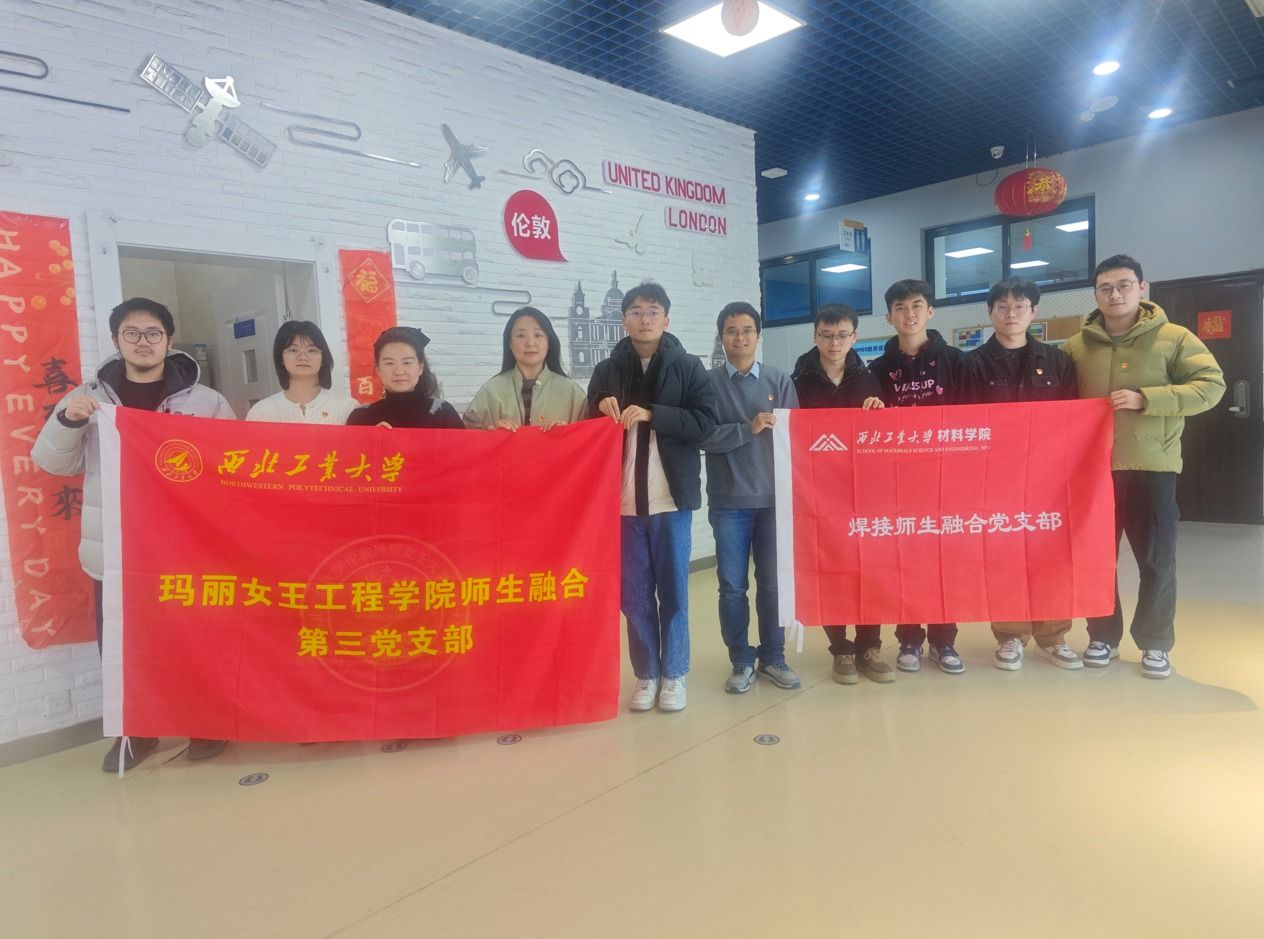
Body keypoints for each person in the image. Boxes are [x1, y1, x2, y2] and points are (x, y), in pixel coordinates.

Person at [31, 297, 237, 772]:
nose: (143, 342)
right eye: (132, 333)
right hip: (115, 548)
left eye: (152, 333)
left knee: (191, 638)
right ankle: (136, 734)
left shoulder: (206, 401)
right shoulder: (88, 398)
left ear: (168, 339)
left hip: (182, 546)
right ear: (116, 339)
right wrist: (69, 421)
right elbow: (51, 462)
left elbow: (231, 464)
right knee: (124, 648)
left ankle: (205, 723)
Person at [1062, 255, 1224, 679]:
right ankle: (1103, 636)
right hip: (1091, 472)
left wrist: (1148, 398)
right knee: (1096, 561)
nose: (1114, 294)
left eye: (1123, 285)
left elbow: (1211, 386)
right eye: (1105, 288)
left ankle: (1155, 642)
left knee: (1157, 560)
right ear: (1095, 294)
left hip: (1152, 467)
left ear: (1141, 287)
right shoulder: (1076, 346)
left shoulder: (1175, 338)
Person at [587, 282, 716, 713]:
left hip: (669, 500)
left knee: (674, 592)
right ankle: (646, 674)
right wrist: (598, 407)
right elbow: (587, 427)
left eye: (653, 311)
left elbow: (705, 423)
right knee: (634, 595)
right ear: (624, 319)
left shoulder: (687, 366)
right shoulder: (607, 370)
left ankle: (674, 673)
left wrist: (653, 414)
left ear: (667, 319)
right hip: (622, 502)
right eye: (636, 311)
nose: (645, 318)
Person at [962, 278, 1083, 671]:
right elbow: (968, 425)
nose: (1010, 314)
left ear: (1034, 311)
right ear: (990, 313)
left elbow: (1073, 419)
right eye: (1002, 306)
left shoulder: (1059, 361)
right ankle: (1010, 635)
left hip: (1050, 479)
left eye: (1019, 306)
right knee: (1005, 556)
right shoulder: (973, 364)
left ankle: (1053, 636)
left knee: (1053, 555)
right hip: (997, 478)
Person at [790, 304, 893, 685]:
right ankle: (841, 648)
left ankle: (870, 645)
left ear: (855, 337)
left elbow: (882, 437)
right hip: (817, 493)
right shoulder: (797, 382)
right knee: (829, 569)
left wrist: (879, 412)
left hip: (863, 491)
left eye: (843, 335)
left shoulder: (869, 379)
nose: (835, 343)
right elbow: (790, 434)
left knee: (868, 570)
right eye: (827, 335)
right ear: (815, 336)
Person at [700, 302, 800, 694]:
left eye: (746, 330)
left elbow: (796, 435)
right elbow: (701, 436)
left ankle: (773, 656)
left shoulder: (779, 379)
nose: (739, 338)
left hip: (775, 502)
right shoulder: (706, 384)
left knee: (773, 584)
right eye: (731, 331)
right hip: (729, 502)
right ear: (721, 337)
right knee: (732, 586)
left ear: (758, 336)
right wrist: (747, 428)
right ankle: (741, 660)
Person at [870, 279, 968, 675]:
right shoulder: (877, 370)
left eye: (916, 305)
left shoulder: (958, 363)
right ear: (888, 317)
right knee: (904, 563)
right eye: (900, 307)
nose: (908, 314)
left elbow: (976, 419)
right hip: (898, 484)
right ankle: (909, 637)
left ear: (930, 311)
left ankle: (944, 641)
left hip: (947, 481)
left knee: (945, 563)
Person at [464, 307, 586, 431]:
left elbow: (590, 435)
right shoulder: (491, 391)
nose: (530, 343)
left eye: (538, 335)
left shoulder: (573, 393)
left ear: (549, 342)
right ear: (509, 343)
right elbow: (465, 436)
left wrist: (567, 433)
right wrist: (491, 432)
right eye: (521, 335)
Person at [347, 326, 463, 429]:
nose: (399, 371)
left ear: (420, 367)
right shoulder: (361, 417)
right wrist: (370, 439)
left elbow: (463, 447)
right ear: (378, 370)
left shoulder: (443, 413)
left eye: (407, 362)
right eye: (389, 363)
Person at [246, 320, 358, 424]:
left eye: (312, 350)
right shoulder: (261, 412)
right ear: (281, 358)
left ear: (323, 358)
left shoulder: (347, 408)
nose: (303, 357)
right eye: (293, 350)